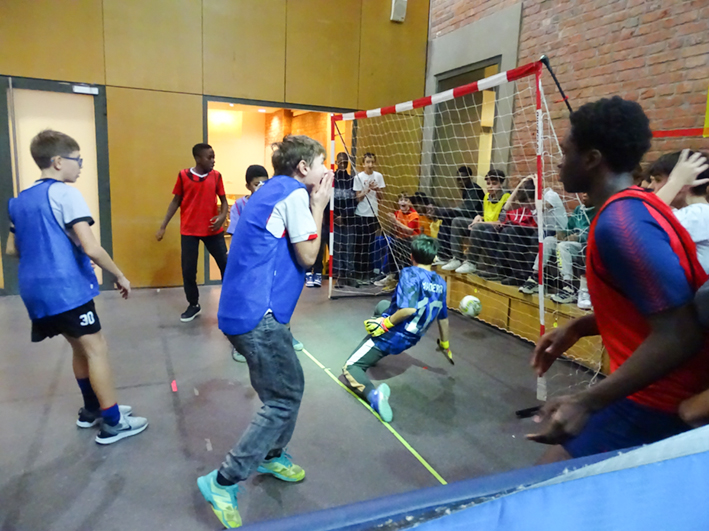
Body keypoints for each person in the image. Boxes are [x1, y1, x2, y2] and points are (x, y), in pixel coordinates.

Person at [527, 96, 709, 462]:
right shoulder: (638, 206)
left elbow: (681, 330)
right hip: (652, 390)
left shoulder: (620, 224)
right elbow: (660, 302)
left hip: (658, 400)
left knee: (547, 480)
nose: (560, 162)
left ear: (592, 159)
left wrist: (587, 401)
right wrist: (581, 325)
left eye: (566, 152)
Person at [197, 135, 333, 529]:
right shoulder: (293, 195)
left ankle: (272, 455)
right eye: (321, 163)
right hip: (260, 317)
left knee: (289, 388)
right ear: (303, 167)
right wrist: (319, 206)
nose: (326, 171)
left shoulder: (270, 191)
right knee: (282, 400)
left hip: (247, 312)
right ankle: (223, 481)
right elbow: (309, 256)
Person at [6, 130, 148, 445]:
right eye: (78, 160)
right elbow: (91, 247)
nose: (80, 166)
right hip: (65, 289)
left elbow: (13, 249)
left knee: (79, 346)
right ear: (58, 161)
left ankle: (91, 409)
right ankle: (113, 422)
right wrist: (119, 275)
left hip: (33, 290)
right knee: (97, 348)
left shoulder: (19, 201)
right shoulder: (65, 194)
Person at [342, 235, 451, 422]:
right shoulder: (441, 282)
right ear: (434, 259)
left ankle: (374, 397)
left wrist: (384, 324)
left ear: (411, 257)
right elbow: (443, 318)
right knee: (383, 305)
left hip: (393, 336)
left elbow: (408, 310)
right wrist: (445, 344)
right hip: (413, 336)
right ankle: (372, 348)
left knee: (351, 367)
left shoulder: (409, 273)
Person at [156, 143, 229, 322]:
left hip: (212, 230)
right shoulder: (183, 176)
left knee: (226, 266)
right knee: (189, 270)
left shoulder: (216, 176)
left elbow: (224, 201)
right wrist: (163, 226)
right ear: (197, 158)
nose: (213, 160)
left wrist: (222, 216)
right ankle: (193, 304)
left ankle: (231, 302)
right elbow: (175, 201)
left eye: (213, 157)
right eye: (209, 157)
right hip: (189, 231)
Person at [519, 193, 596, 309]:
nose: (585, 194)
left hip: (586, 245)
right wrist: (562, 234)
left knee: (563, 246)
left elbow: (595, 233)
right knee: (548, 240)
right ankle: (535, 277)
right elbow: (569, 228)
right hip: (572, 242)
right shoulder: (578, 209)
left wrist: (578, 237)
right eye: (583, 191)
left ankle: (569, 287)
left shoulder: (598, 211)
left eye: (588, 192)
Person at [649, 149, 709, 273]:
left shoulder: (699, 213)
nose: (650, 187)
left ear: (685, 182)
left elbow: (638, 224)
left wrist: (675, 183)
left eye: (658, 180)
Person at [441, 169, 510, 274]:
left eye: (494, 183)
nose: (490, 186)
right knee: (457, 221)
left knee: (477, 227)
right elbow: (485, 214)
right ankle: (457, 258)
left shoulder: (507, 197)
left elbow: (501, 222)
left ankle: (471, 262)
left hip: (496, 230)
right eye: (488, 183)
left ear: (501, 184)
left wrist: (480, 223)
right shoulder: (487, 197)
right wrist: (479, 217)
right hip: (484, 225)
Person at [431, 166, 484, 264]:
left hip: (476, 220)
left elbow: (467, 210)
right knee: (446, 219)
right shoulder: (466, 190)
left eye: (463, 179)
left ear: (470, 178)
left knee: (447, 216)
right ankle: (444, 255)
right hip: (468, 218)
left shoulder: (474, 189)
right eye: (458, 179)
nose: (460, 182)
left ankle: (445, 255)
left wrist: (447, 211)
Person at [375, 193, 422, 290]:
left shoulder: (414, 215)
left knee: (399, 245)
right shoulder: (397, 213)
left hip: (413, 240)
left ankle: (397, 276)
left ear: (411, 203)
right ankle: (391, 275)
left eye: (406, 200)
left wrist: (395, 221)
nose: (403, 202)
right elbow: (395, 230)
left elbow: (410, 231)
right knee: (392, 244)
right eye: (401, 200)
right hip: (400, 240)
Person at [353, 152, 385, 282]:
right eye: (367, 162)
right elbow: (357, 198)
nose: (370, 165)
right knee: (360, 244)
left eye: (372, 162)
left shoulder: (378, 176)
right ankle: (358, 272)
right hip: (361, 214)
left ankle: (369, 271)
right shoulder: (358, 177)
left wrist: (377, 189)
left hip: (373, 214)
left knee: (371, 245)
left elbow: (381, 198)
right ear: (363, 164)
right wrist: (366, 190)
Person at [332, 152, 358, 288]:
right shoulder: (331, 179)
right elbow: (328, 200)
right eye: (341, 162)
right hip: (334, 221)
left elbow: (354, 201)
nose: (343, 165)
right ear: (336, 162)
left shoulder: (352, 180)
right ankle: (340, 276)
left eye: (345, 163)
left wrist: (344, 216)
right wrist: (335, 217)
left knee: (349, 247)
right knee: (337, 247)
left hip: (349, 220)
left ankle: (350, 275)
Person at [225, 165, 269, 235]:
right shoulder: (239, 205)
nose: (261, 188)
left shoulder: (273, 204)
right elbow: (234, 232)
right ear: (248, 186)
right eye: (256, 185)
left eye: (264, 184)